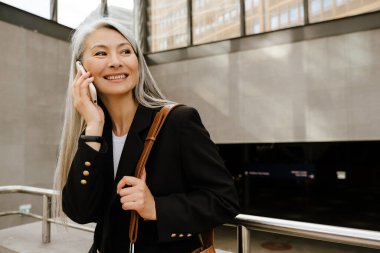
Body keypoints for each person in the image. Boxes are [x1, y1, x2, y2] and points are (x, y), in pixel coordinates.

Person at [53, 9, 239, 253]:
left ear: (137, 61)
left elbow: (224, 200)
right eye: (101, 53)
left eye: (125, 51)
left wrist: (156, 208)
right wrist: (94, 126)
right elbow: (79, 211)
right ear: (80, 69)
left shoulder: (178, 121)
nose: (116, 61)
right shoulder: (95, 133)